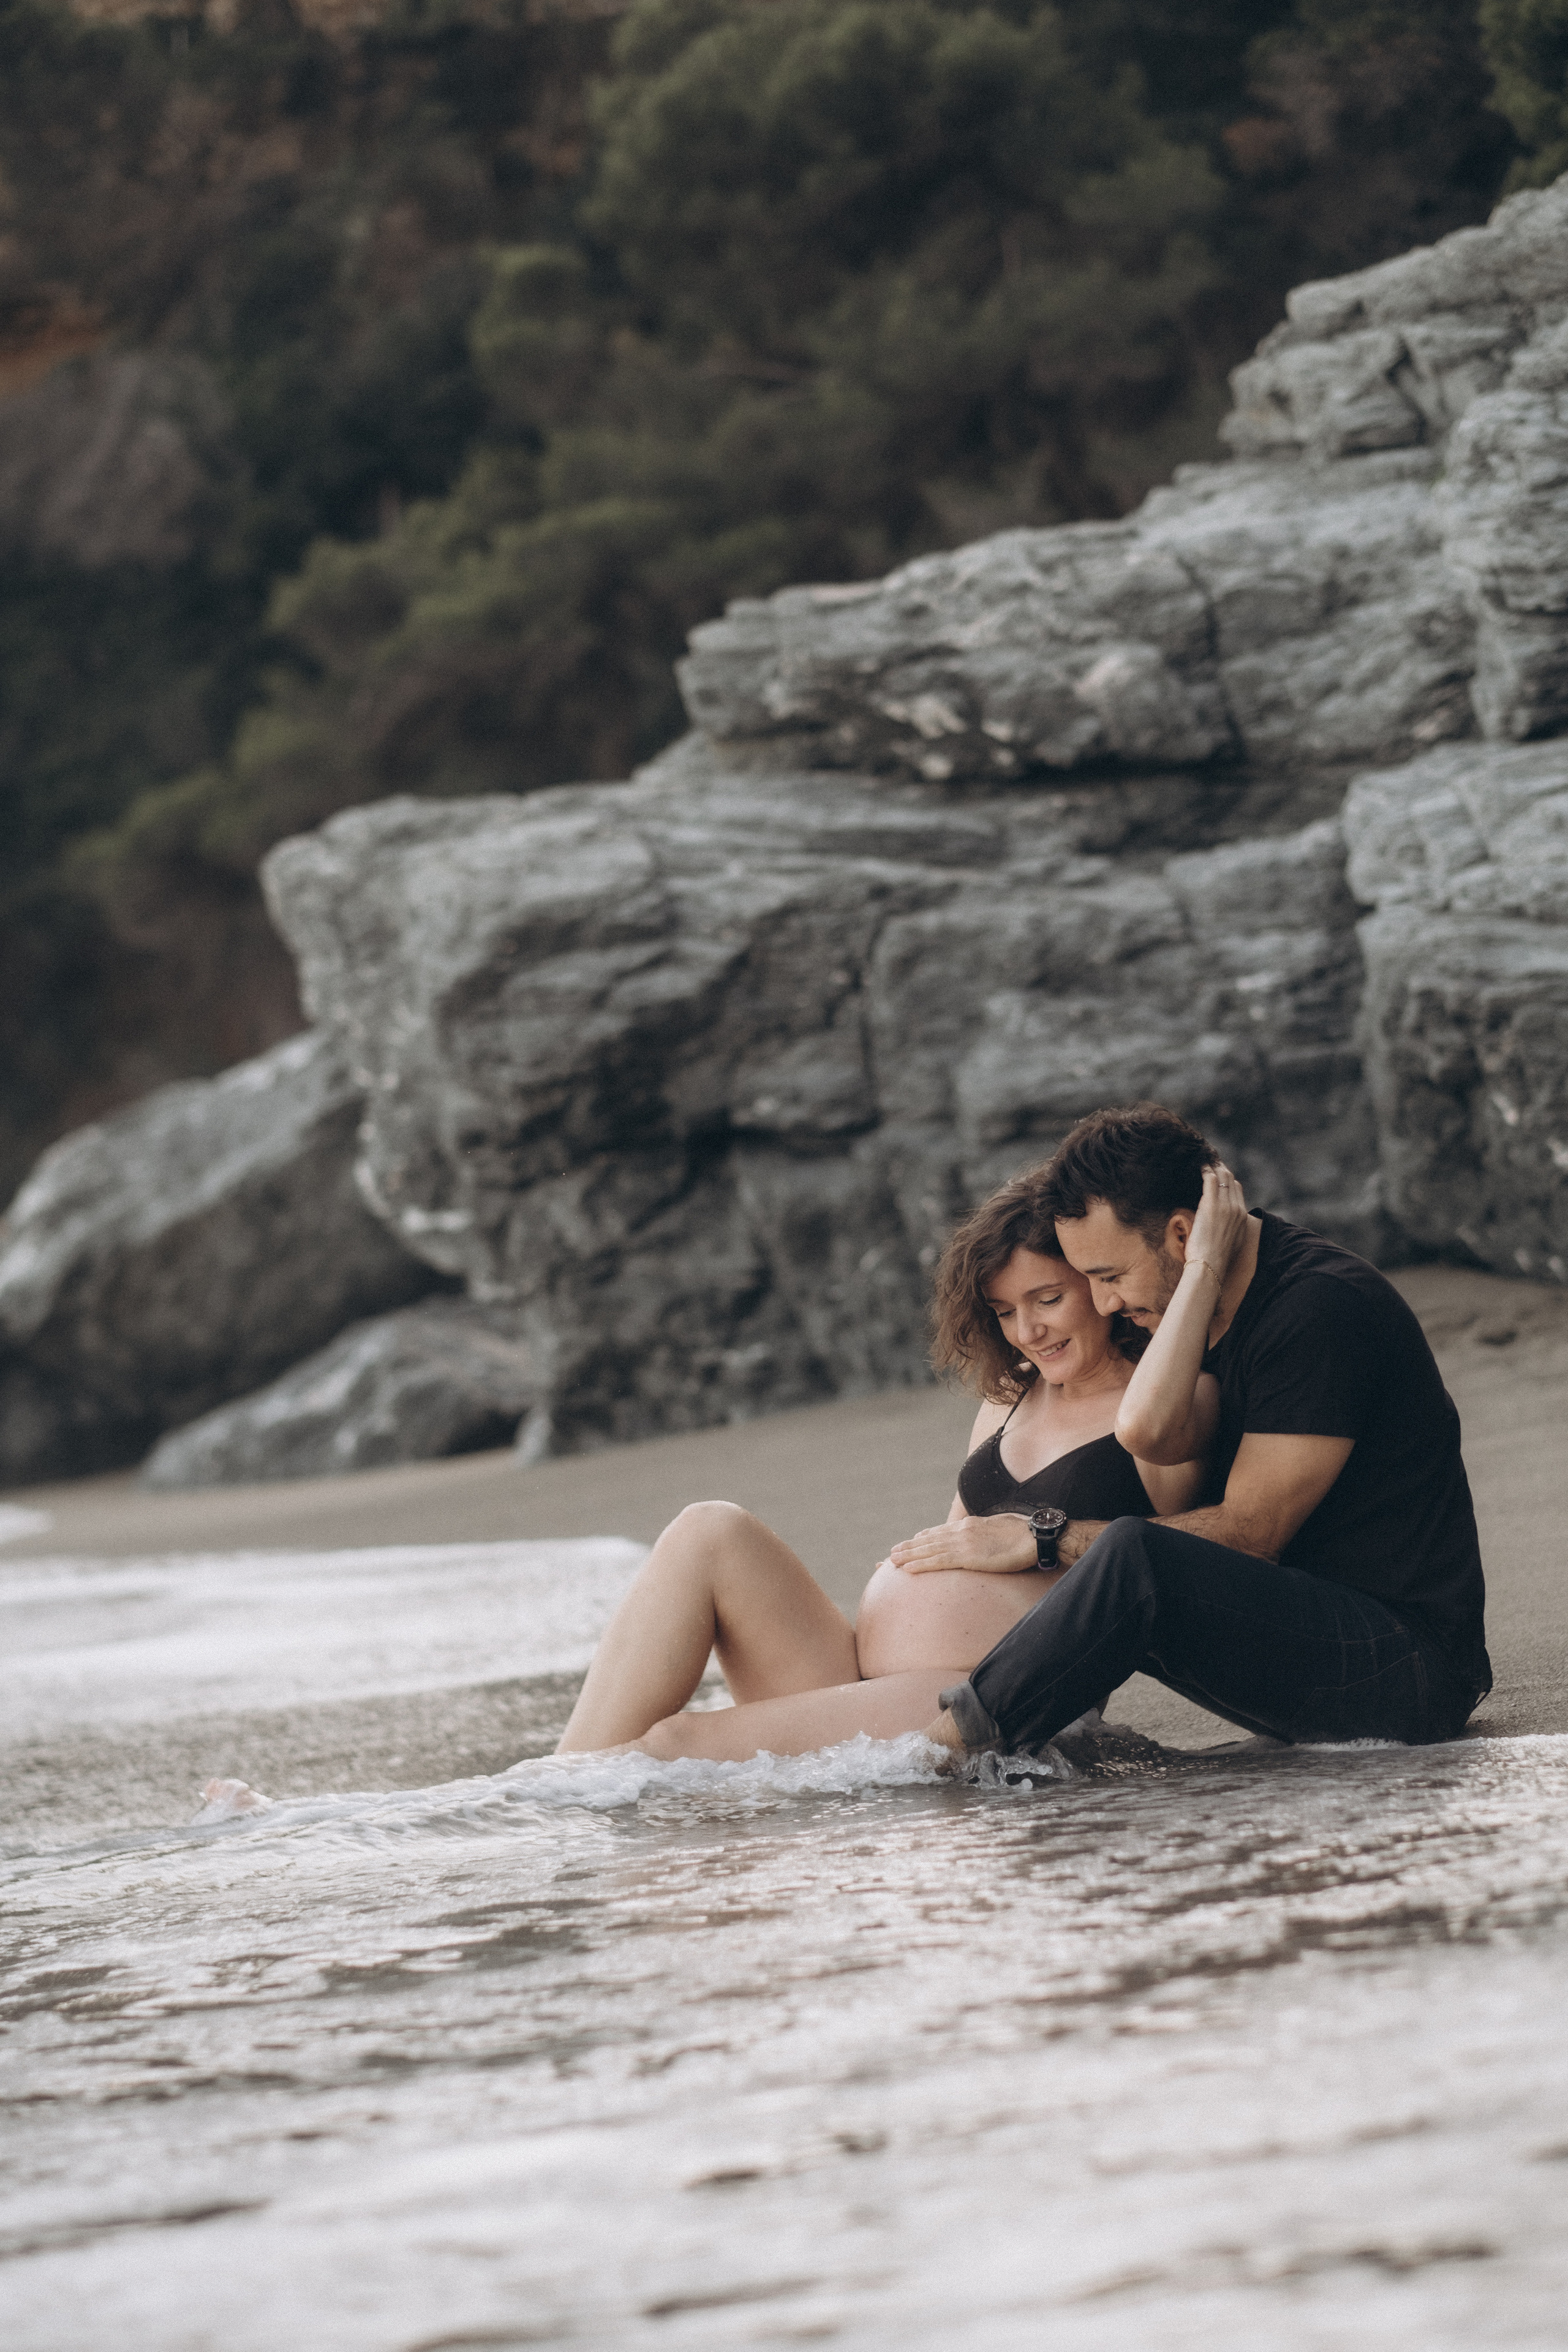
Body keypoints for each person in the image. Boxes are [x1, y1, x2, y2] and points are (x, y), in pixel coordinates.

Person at [556, 1162, 1215, 1760]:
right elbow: (959, 1545)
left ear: (1100, 1284)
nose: (1027, 1331)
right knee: (709, 1529)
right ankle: (547, 1791)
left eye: (1047, 1299)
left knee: (678, 1742)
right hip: (874, 1675)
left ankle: (560, 1824)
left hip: (985, 1694)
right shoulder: (1010, 1400)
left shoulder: (1157, 1411)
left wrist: (1198, 1275)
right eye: (1005, 1311)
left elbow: (1178, 1562)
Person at [923, 1103, 1492, 1762]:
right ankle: (1007, 1747)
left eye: (1109, 1277)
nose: (1106, 1304)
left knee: (1137, 1555)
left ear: (1182, 1234)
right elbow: (1149, 1434)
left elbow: (1251, 1536)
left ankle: (942, 1759)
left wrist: (1043, 1537)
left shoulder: (1318, 1309)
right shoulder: (1183, 1315)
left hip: (1404, 1669)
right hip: (1303, 1635)